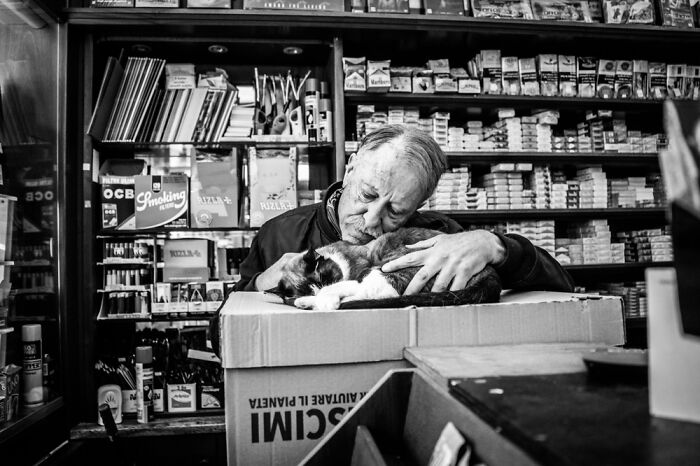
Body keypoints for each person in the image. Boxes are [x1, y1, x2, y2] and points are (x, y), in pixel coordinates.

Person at [236, 124, 574, 295]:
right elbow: (222, 338)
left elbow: (562, 288)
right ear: (350, 168)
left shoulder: (439, 237)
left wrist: (497, 247)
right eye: (367, 195)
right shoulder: (279, 234)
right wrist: (257, 287)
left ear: (418, 206)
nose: (371, 221)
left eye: (394, 211)